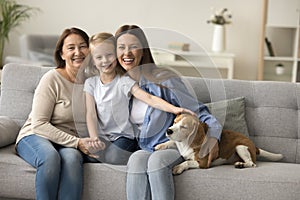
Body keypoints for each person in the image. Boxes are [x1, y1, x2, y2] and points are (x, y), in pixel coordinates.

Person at [115, 24, 223, 200]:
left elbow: (199, 112)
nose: (126, 53)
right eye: (121, 47)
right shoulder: (118, 85)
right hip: (145, 147)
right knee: (136, 160)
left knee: (156, 162)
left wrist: (213, 137)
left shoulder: (164, 80)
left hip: (172, 143)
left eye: (133, 47)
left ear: (143, 51)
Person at [84, 32, 195, 165]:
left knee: (113, 157)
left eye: (109, 55)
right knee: (89, 156)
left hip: (123, 136)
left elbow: (149, 98)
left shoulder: (124, 81)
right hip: (103, 136)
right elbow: (90, 113)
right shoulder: (91, 83)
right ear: (93, 60)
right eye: (99, 57)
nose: (105, 61)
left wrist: (175, 109)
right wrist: (94, 137)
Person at [15, 27, 96, 200]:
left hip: (67, 141)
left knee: (73, 159)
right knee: (50, 157)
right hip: (36, 135)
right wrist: (77, 142)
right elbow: (39, 124)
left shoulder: (93, 81)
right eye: (71, 48)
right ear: (61, 54)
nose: (78, 52)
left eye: (83, 46)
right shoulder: (52, 79)